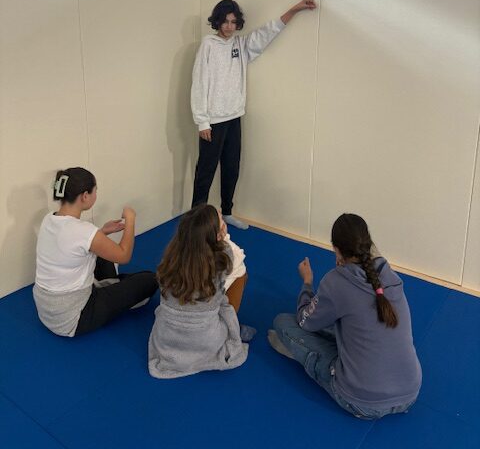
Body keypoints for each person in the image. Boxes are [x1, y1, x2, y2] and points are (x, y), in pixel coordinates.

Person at [269, 213, 422, 420]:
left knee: (283, 322)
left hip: (362, 402)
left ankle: (302, 354)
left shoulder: (336, 282)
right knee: (347, 325)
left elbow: (305, 321)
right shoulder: (390, 276)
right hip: (410, 393)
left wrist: (307, 283)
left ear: (336, 249)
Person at [191, 0, 317, 230]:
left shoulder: (241, 45)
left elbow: (269, 31)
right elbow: (199, 82)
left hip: (234, 117)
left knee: (232, 167)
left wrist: (295, 9)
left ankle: (227, 212)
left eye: (233, 22)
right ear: (217, 21)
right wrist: (202, 121)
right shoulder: (208, 45)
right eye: (225, 21)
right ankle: (195, 222)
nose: (229, 26)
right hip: (212, 121)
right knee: (205, 171)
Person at [33, 167, 158, 337]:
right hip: (73, 318)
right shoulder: (83, 231)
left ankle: (111, 286)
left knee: (101, 253)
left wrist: (102, 232)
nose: (96, 194)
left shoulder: (48, 219)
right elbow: (124, 256)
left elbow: (71, 244)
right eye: (95, 190)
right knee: (150, 280)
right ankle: (113, 289)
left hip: (46, 311)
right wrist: (130, 219)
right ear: (85, 196)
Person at [148, 204, 250, 379]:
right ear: (218, 235)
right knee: (241, 274)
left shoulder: (170, 255)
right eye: (221, 220)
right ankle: (234, 327)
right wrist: (223, 238)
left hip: (166, 337)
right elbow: (238, 261)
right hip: (206, 340)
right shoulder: (224, 255)